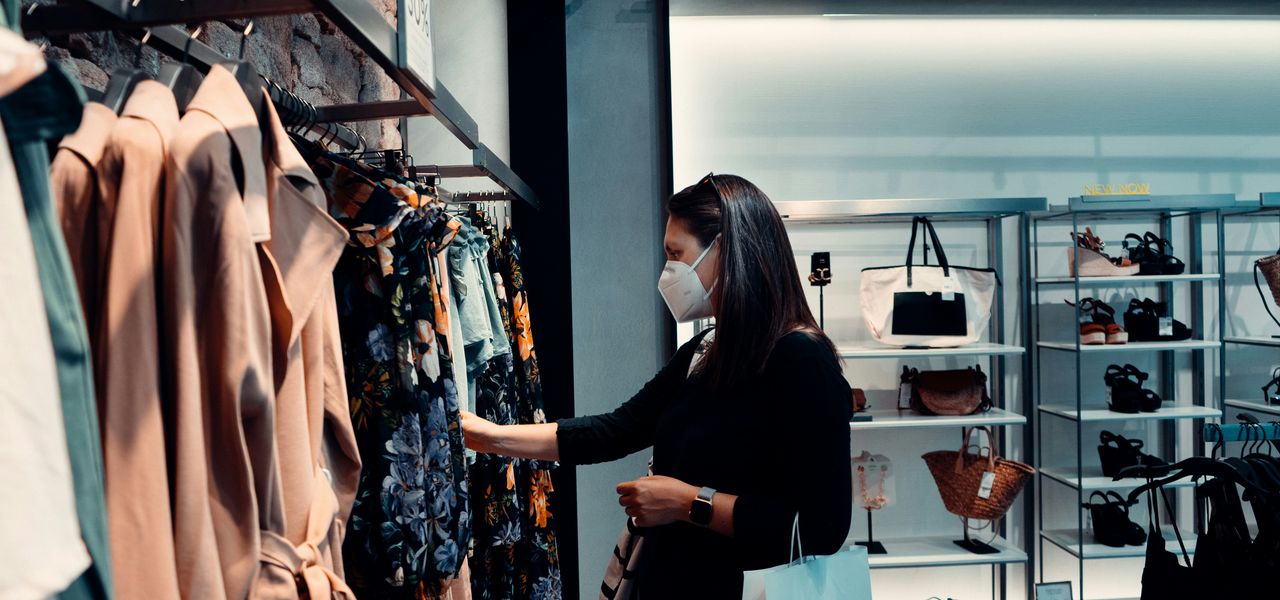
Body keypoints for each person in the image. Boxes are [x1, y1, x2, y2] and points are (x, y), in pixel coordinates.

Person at [462, 173, 852, 598]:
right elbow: (617, 428)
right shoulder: (708, 349)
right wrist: (490, 436)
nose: (668, 270)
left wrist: (688, 503)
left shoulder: (801, 359)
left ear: (723, 249)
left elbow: (821, 527)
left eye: (675, 253)